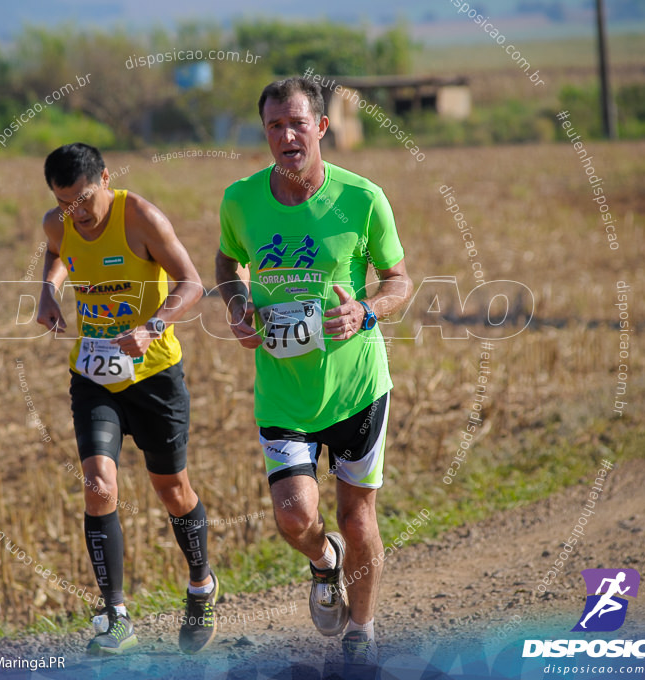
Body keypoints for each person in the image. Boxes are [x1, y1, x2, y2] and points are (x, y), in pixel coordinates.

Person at [214, 77, 413, 668]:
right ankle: (324, 564)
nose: (286, 136)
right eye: (275, 126)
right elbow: (227, 260)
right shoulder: (241, 200)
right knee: (294, 516)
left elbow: (400, 280)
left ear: (321, 128)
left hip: (356, 389)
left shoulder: (363, 198)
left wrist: (366, 309)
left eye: (297, 123)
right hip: (283, 391)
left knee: (357, 518)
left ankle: (362, 631)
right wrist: (235, 302)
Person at [36, 143, 218, 656]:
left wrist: (152, 325)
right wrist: (48, 290)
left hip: (155, 373)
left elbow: (192, 282)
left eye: (85, 197)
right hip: (93, 374)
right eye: (64, 200)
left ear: (106, 179)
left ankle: (201, 586)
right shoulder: (57, 222)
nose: (77, 211)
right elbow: (57, 253)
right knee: (98, 484)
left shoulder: (139, 216)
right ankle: (116, 614)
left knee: (172, 491)